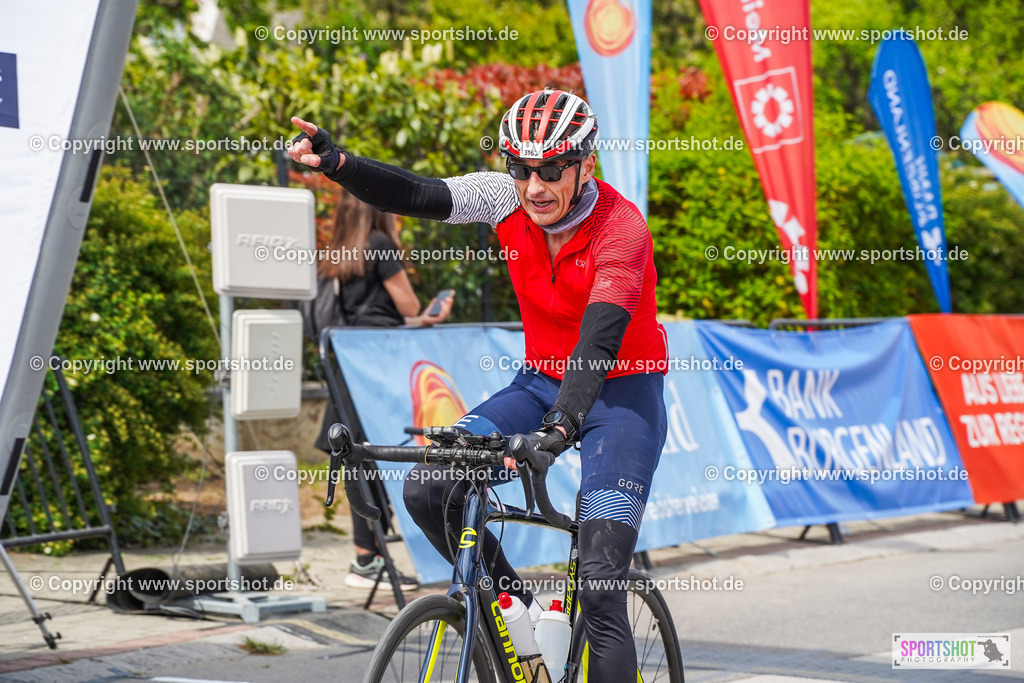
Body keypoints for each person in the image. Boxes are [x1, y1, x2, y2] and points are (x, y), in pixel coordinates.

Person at [289, 89, 667, 682]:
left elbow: (598, 342)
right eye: (521, 169)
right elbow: (416, 193)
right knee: (429, 486)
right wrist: (340, 165)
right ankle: (518, 616)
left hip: (622, 398)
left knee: (598, 588)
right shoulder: (502, 199)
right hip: (540, 383)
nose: (534, 186)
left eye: (551, 170)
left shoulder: (622, 229)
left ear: (585, 163)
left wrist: (560, 428)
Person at [311, 187, 453, 590]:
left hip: (347, 366)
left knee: (358, 457)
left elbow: (367, 318)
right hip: (376, 367)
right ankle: (366, 560)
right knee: (384, 454)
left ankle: (366, 557)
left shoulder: (337, 251)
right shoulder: (378, 245)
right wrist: (427, 316)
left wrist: (420, 322)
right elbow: (406, 306)